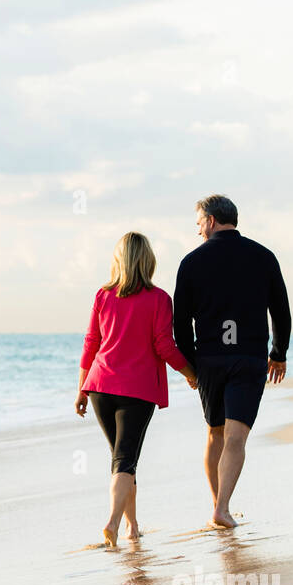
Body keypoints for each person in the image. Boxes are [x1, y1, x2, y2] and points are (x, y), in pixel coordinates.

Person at [173, 195, 291, 528]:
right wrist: (278, 354)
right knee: (237, 437)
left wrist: (190, 364)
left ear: (210, 221)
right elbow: (280, 311)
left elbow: (180, 321)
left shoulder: (192, 262)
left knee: (215, 434)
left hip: (210, 359)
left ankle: (218, 506)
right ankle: (222, 507)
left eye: (198, 224)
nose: (198, 231)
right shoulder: (263, 257)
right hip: (248, 357)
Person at [77, 232, 197, 546]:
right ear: (148, 260)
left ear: (119, 260)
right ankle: (113, 523)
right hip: (137, 390)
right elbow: (164, 346)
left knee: (122, 458)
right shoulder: (158, 299)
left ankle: (132, 526)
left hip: (101, 387)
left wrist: (81, 390)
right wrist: (191, 373)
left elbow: (91, 344)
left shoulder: (103, 296)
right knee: (125, 459)